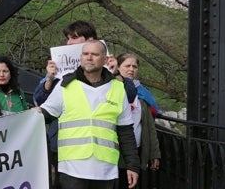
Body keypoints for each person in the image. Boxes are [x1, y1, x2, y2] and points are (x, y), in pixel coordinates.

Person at [38, 40, 140, 189]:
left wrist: (133, 165)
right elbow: (45, 114)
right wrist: (32, 114)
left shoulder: (118, 88)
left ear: (105, 60)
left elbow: (126, 131)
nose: (89, 57)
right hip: (72, 169)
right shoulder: (65, 86)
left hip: (105, 170)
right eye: (85, 54)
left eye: (94, 54)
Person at [114, 54, 161, 186]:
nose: (131, 69)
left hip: (136, 150)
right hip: (115, 150)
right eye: (127, 66)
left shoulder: (142, 93)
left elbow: (149, 126)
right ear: (117, 67)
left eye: (134, 66)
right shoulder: (111, 89)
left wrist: (154, 153)